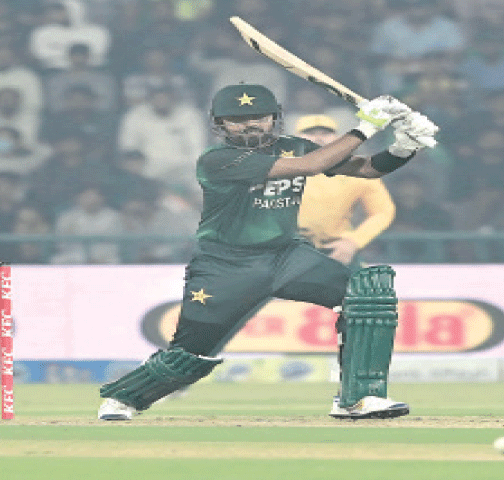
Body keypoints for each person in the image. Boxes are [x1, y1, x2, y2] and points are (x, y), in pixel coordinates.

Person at [97, 83, 438, 421]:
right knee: (190, 354)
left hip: (287, 256)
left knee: (365, 296)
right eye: (236, 120)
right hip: (225, 267)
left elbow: (367, 169)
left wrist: (404, 146)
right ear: (219, 124)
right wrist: (367, 126)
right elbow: (310, 166)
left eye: (259, 117)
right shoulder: (217, 160)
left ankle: (359, 398)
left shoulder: (294, 146)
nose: (249, 125)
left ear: (274, 117)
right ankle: (123, 397)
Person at [294, 114, 396, 266]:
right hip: (286, 250)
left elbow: (383, 212)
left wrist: (353, 242)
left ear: (337, 139)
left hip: (335, 249)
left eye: (325, 133)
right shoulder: (276, 167)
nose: (318, 138)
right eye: (310, 133)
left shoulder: (358, 170)